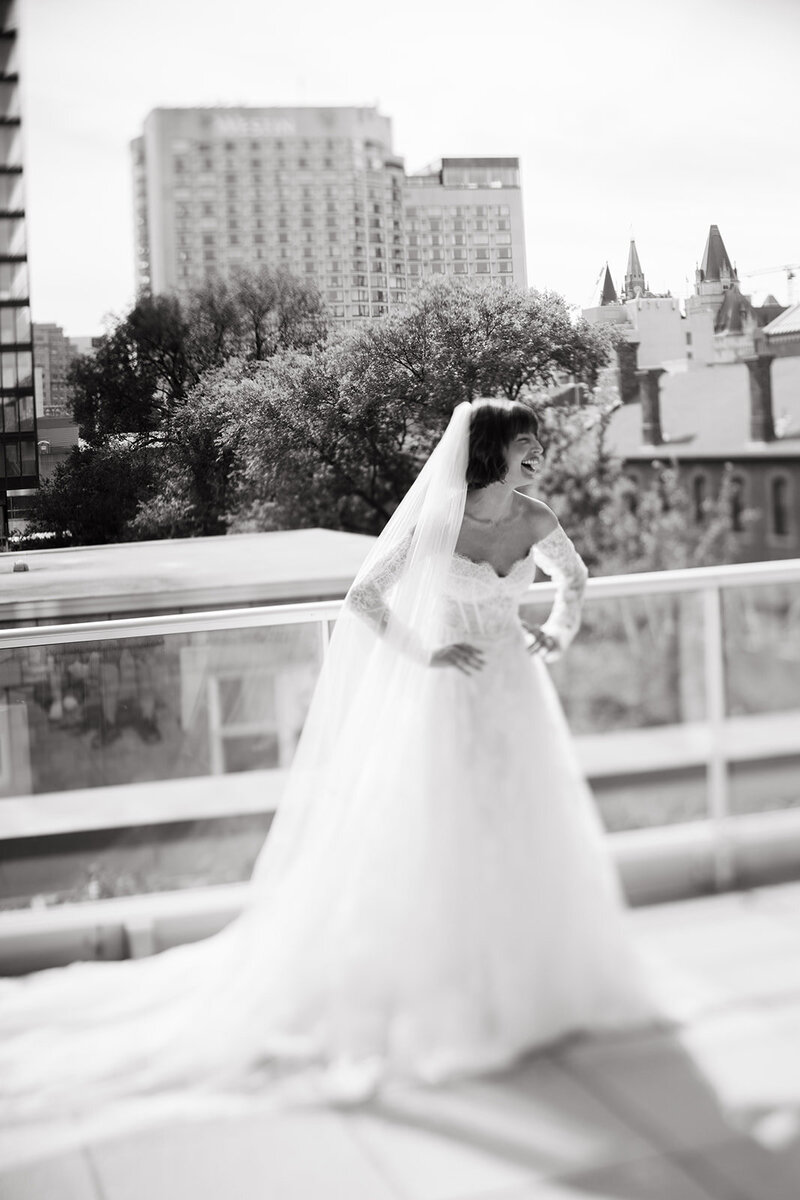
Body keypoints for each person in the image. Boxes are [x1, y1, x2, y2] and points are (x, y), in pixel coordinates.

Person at [0, 397, 661, 1117]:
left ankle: (530, 986)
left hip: (516, 695)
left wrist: (558, 633)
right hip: (446, 698)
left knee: (524, 825)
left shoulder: (538, 519)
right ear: (491, 450)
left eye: (541, 440)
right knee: (446, 831)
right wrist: (427, 651)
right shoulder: (438, 522)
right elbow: (365, 596)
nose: (538, 450)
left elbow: (576, 580)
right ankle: (451, 988)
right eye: (524, 440)